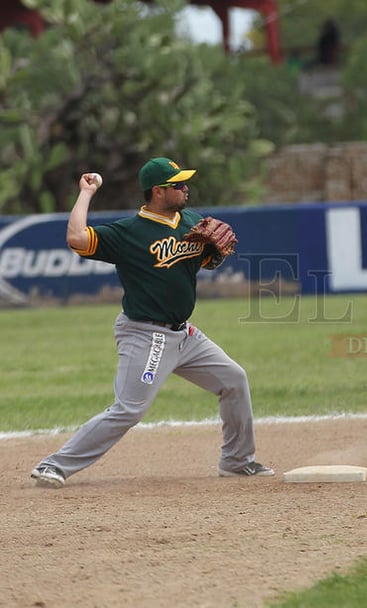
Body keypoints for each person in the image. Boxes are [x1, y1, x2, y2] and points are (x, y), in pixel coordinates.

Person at [30, 158, 274, 488]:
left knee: (234, 379)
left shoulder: (190, 220)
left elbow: (195, 262)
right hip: (148, 336)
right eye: (178, 185)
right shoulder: (129, 232)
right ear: (158, 192)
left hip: (186, 335)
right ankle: (54, 465)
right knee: (129, 409)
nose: (185, 188)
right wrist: (87, 193)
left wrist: (211, 256)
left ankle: (236, 461)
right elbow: (76, 238)